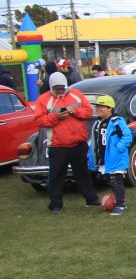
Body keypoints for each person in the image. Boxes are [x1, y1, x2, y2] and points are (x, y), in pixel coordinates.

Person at [35, 72, 101, 214]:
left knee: (83, 173)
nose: (60, 91)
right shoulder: (43, 99)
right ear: (51, 87)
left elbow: (89, 112)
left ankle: (91, 199)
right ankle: (55, 205)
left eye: (62, 88)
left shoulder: (76, 94)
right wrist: (55, 117)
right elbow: (39, 120)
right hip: (58, 145)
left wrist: (75, 111)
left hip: (78, 143)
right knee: (56, 176)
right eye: (57, 88)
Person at [88, 95, 133, 216]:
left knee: (115, 181)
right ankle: (116, 200)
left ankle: (121, 204)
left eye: (101, 107)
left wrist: (119, 148)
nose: (98, 109)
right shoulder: (97, 123)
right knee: (109, 180)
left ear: (110, 108)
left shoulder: (117, 121)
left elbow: (127, 136)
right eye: (97, 107)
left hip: (115, 158)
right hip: (104, 159)